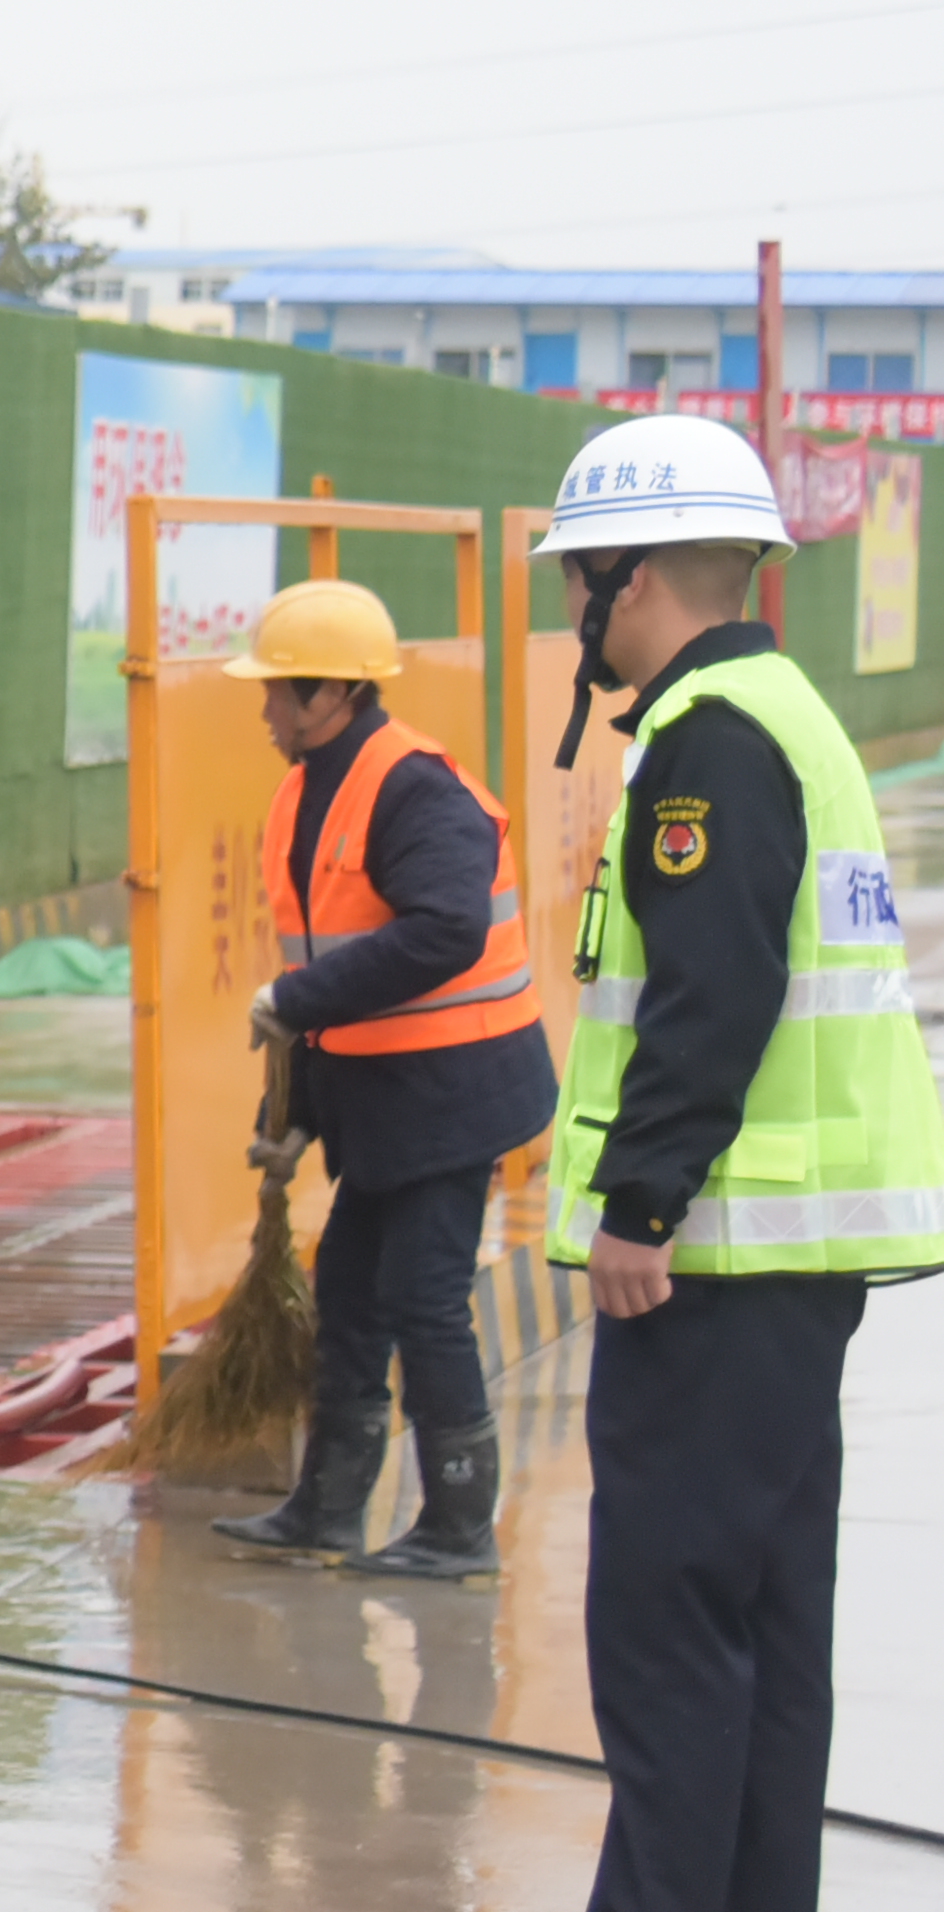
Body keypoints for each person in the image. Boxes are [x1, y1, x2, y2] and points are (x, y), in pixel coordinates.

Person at [434, 414, 940, 1912]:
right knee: (765, 1629)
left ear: (628, 580)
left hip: (715, 1260)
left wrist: (641, 1207)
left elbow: (711, 999)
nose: (578, 615)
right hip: (791, 1264)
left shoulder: (708, 743)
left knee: (664, 1629)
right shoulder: (792, 715)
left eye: (582, 583)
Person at [209, 576, 556, 1574]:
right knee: (351, 1291)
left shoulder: (415, 789)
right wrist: (292, 1115)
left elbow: (442, 931)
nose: (264, 710)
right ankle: (325, 1507)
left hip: (452, 1094)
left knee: (420, 1295)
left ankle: (457, 1525)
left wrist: (296, 1000)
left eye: (277, 691)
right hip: (381, 1096)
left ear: (334, 693)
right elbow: (328, 959)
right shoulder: (305, 790)